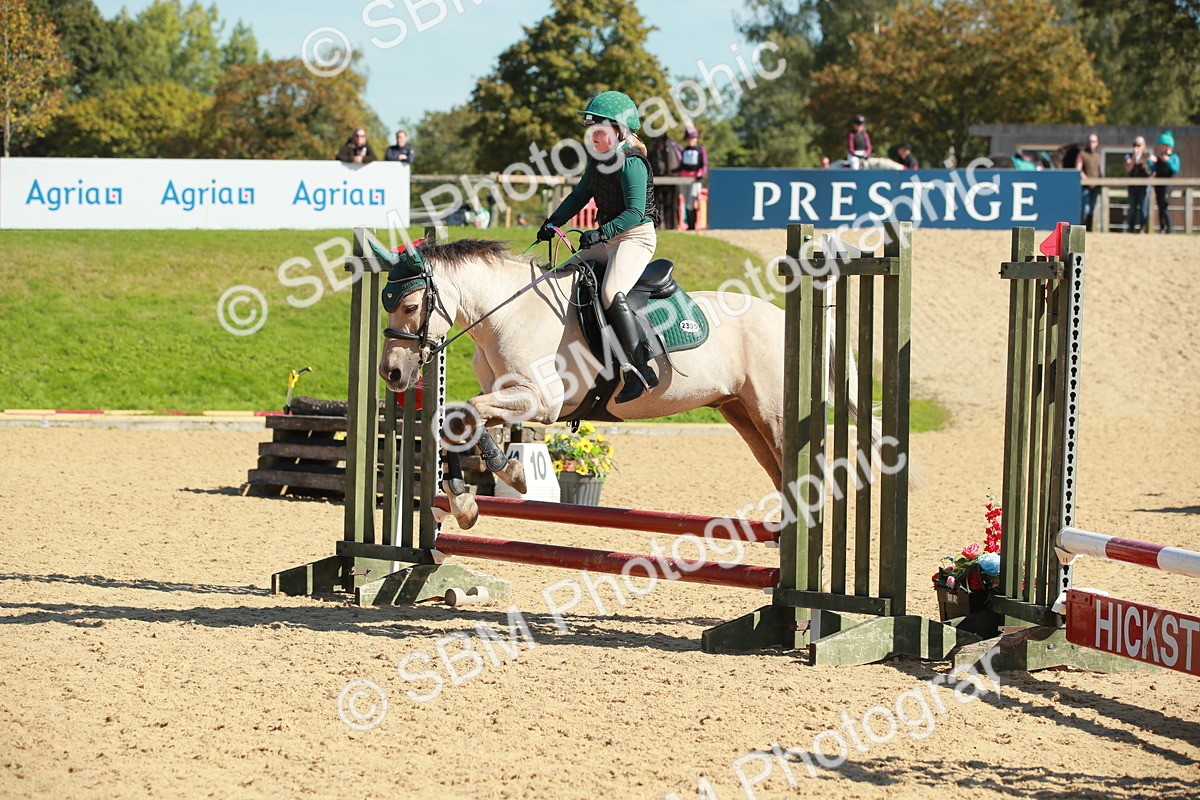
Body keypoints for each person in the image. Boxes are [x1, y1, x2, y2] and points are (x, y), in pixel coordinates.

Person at [537, 91, 661, 403]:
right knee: (561, 274)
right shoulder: (598, 161)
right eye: (592, 131)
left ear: (619, 131)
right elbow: (580, 196)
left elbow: (634, 213)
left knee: (609, 293)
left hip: (636, 238)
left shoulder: (632, 163)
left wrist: (601, 232)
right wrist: (553, 221)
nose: (594, 137)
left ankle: (640, 368)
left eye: (600, 131)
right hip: (608, 239)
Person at [1148, 131, 1181, 234]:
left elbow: (1176, 169)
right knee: (1160, 206)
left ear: (1168, 146)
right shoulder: (1159, 158)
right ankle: (1162, 228)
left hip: (1167, 185)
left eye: (1162, 145)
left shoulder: (1173, 157)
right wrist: (1151, 162)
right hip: (1158, 185)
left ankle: (1169, 228)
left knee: (1164, 205)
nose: (1160, 147)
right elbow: (1153, 169)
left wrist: (1168, 161)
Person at [677, 127, 708, 230]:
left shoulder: (700, 149)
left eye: (693, 138)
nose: (691, 141)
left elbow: (704, 164)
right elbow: (681, 165)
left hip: (695, 179)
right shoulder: (685, 150)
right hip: (684, 178)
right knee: (685, 202)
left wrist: (701, 174)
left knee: (692, 201)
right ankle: (688, 224)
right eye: (689, 139)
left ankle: (692, 225)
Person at [1124, 136, 1151, 233]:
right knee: (1132, 208)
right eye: (1134, 145)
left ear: (1144, 146)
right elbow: (1128, 169)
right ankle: (1130, 229)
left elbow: (1152, 170)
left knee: (1144, 208)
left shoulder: (1148, 156)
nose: (1136, 147)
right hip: (1132, 186)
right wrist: (1134, 158)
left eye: (1138, 145)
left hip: (1144, 186)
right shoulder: (1129, 156)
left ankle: (1142, 228)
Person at [1075, 132, 1101, 230]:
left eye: (1093, 141)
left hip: (1095, 186)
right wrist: (1085, 178)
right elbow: (1078, 169)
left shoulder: (1098, 156)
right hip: (1085, 186)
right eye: (1089, 141)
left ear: (1097, 143)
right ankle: (1082, 229)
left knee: (1092, 209)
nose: (1091, 143)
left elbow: (1099, 171)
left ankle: (1090, 229)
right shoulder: (1082, 154)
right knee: (1085, 209)